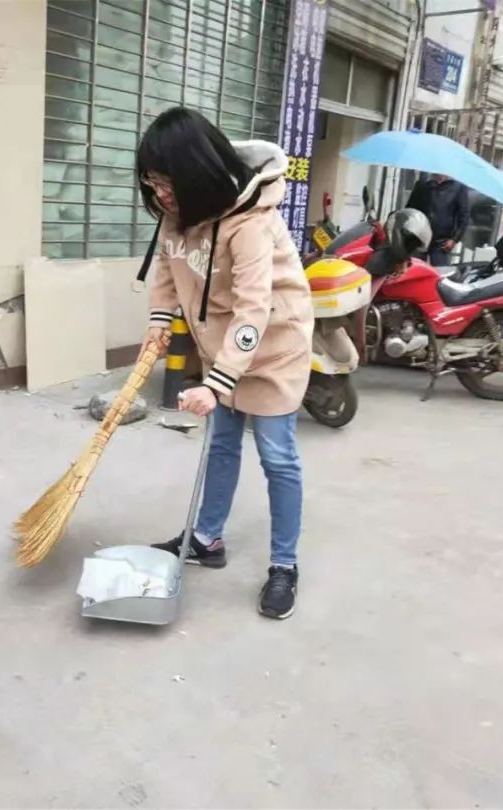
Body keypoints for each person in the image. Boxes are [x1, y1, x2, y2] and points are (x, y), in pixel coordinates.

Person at [136, 107, 313, 620]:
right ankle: (207, 539)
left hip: (273, 347)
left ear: (195, 173)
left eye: (167, 183)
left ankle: (284, 565)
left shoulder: (250, 223)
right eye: (151, 183)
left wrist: (214, 384)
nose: (160, 194)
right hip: (222, 346)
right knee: (220, 444)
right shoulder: (176, 214)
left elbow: (253, 309)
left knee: (277, 456)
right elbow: (168, 270)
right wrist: (159, 322)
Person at [405, 173, 470, 266]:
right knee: (414, 268)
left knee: (440, 271)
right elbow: (410, 208)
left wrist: (454, 239)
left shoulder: (458, 187)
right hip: (419, 237)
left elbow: (463, 215)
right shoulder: (423, 184)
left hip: (442, 241)